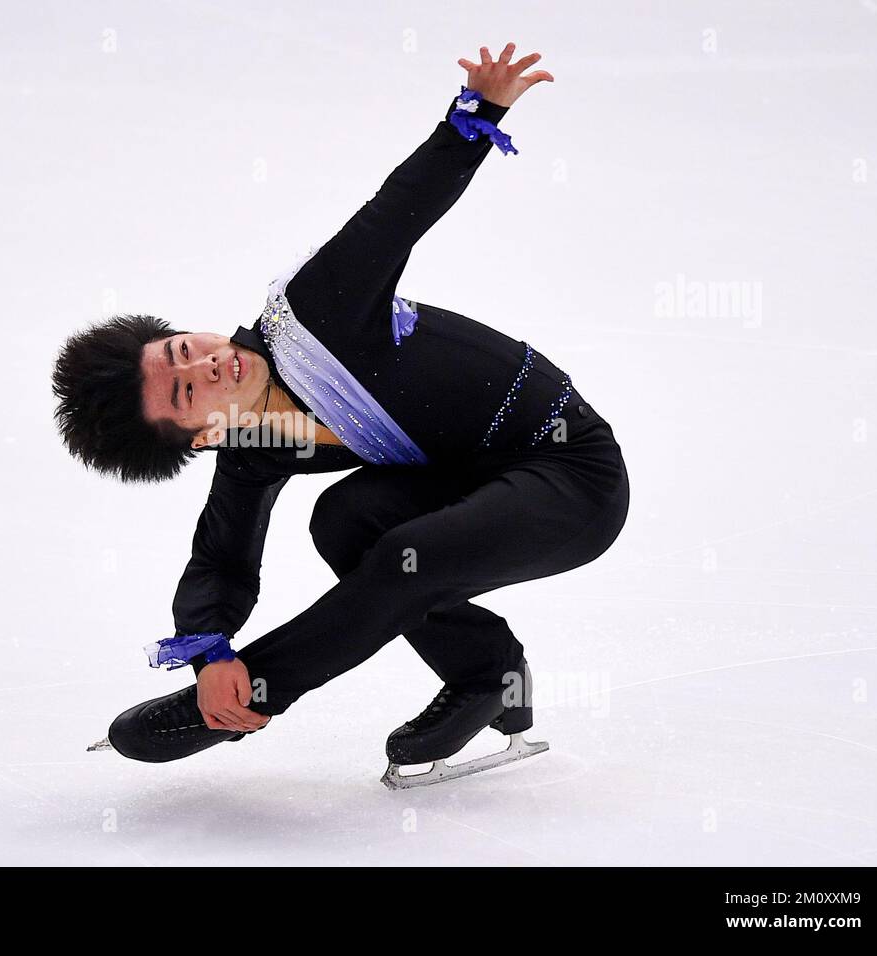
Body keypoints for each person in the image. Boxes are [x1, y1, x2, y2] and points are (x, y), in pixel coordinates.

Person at [52, 43, 630, 785]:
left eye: (181, 349)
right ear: (200, 435)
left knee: (397, 556)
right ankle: (488, 675)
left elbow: (396, 214)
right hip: (478, 479)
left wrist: (478, 111)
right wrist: (208, 650)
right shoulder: (255, 443)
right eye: (188, 390)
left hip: (569, 473)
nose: (207, 363)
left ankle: (255, 699)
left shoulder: (316, 314)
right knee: (345, 520)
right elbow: (223, 553)